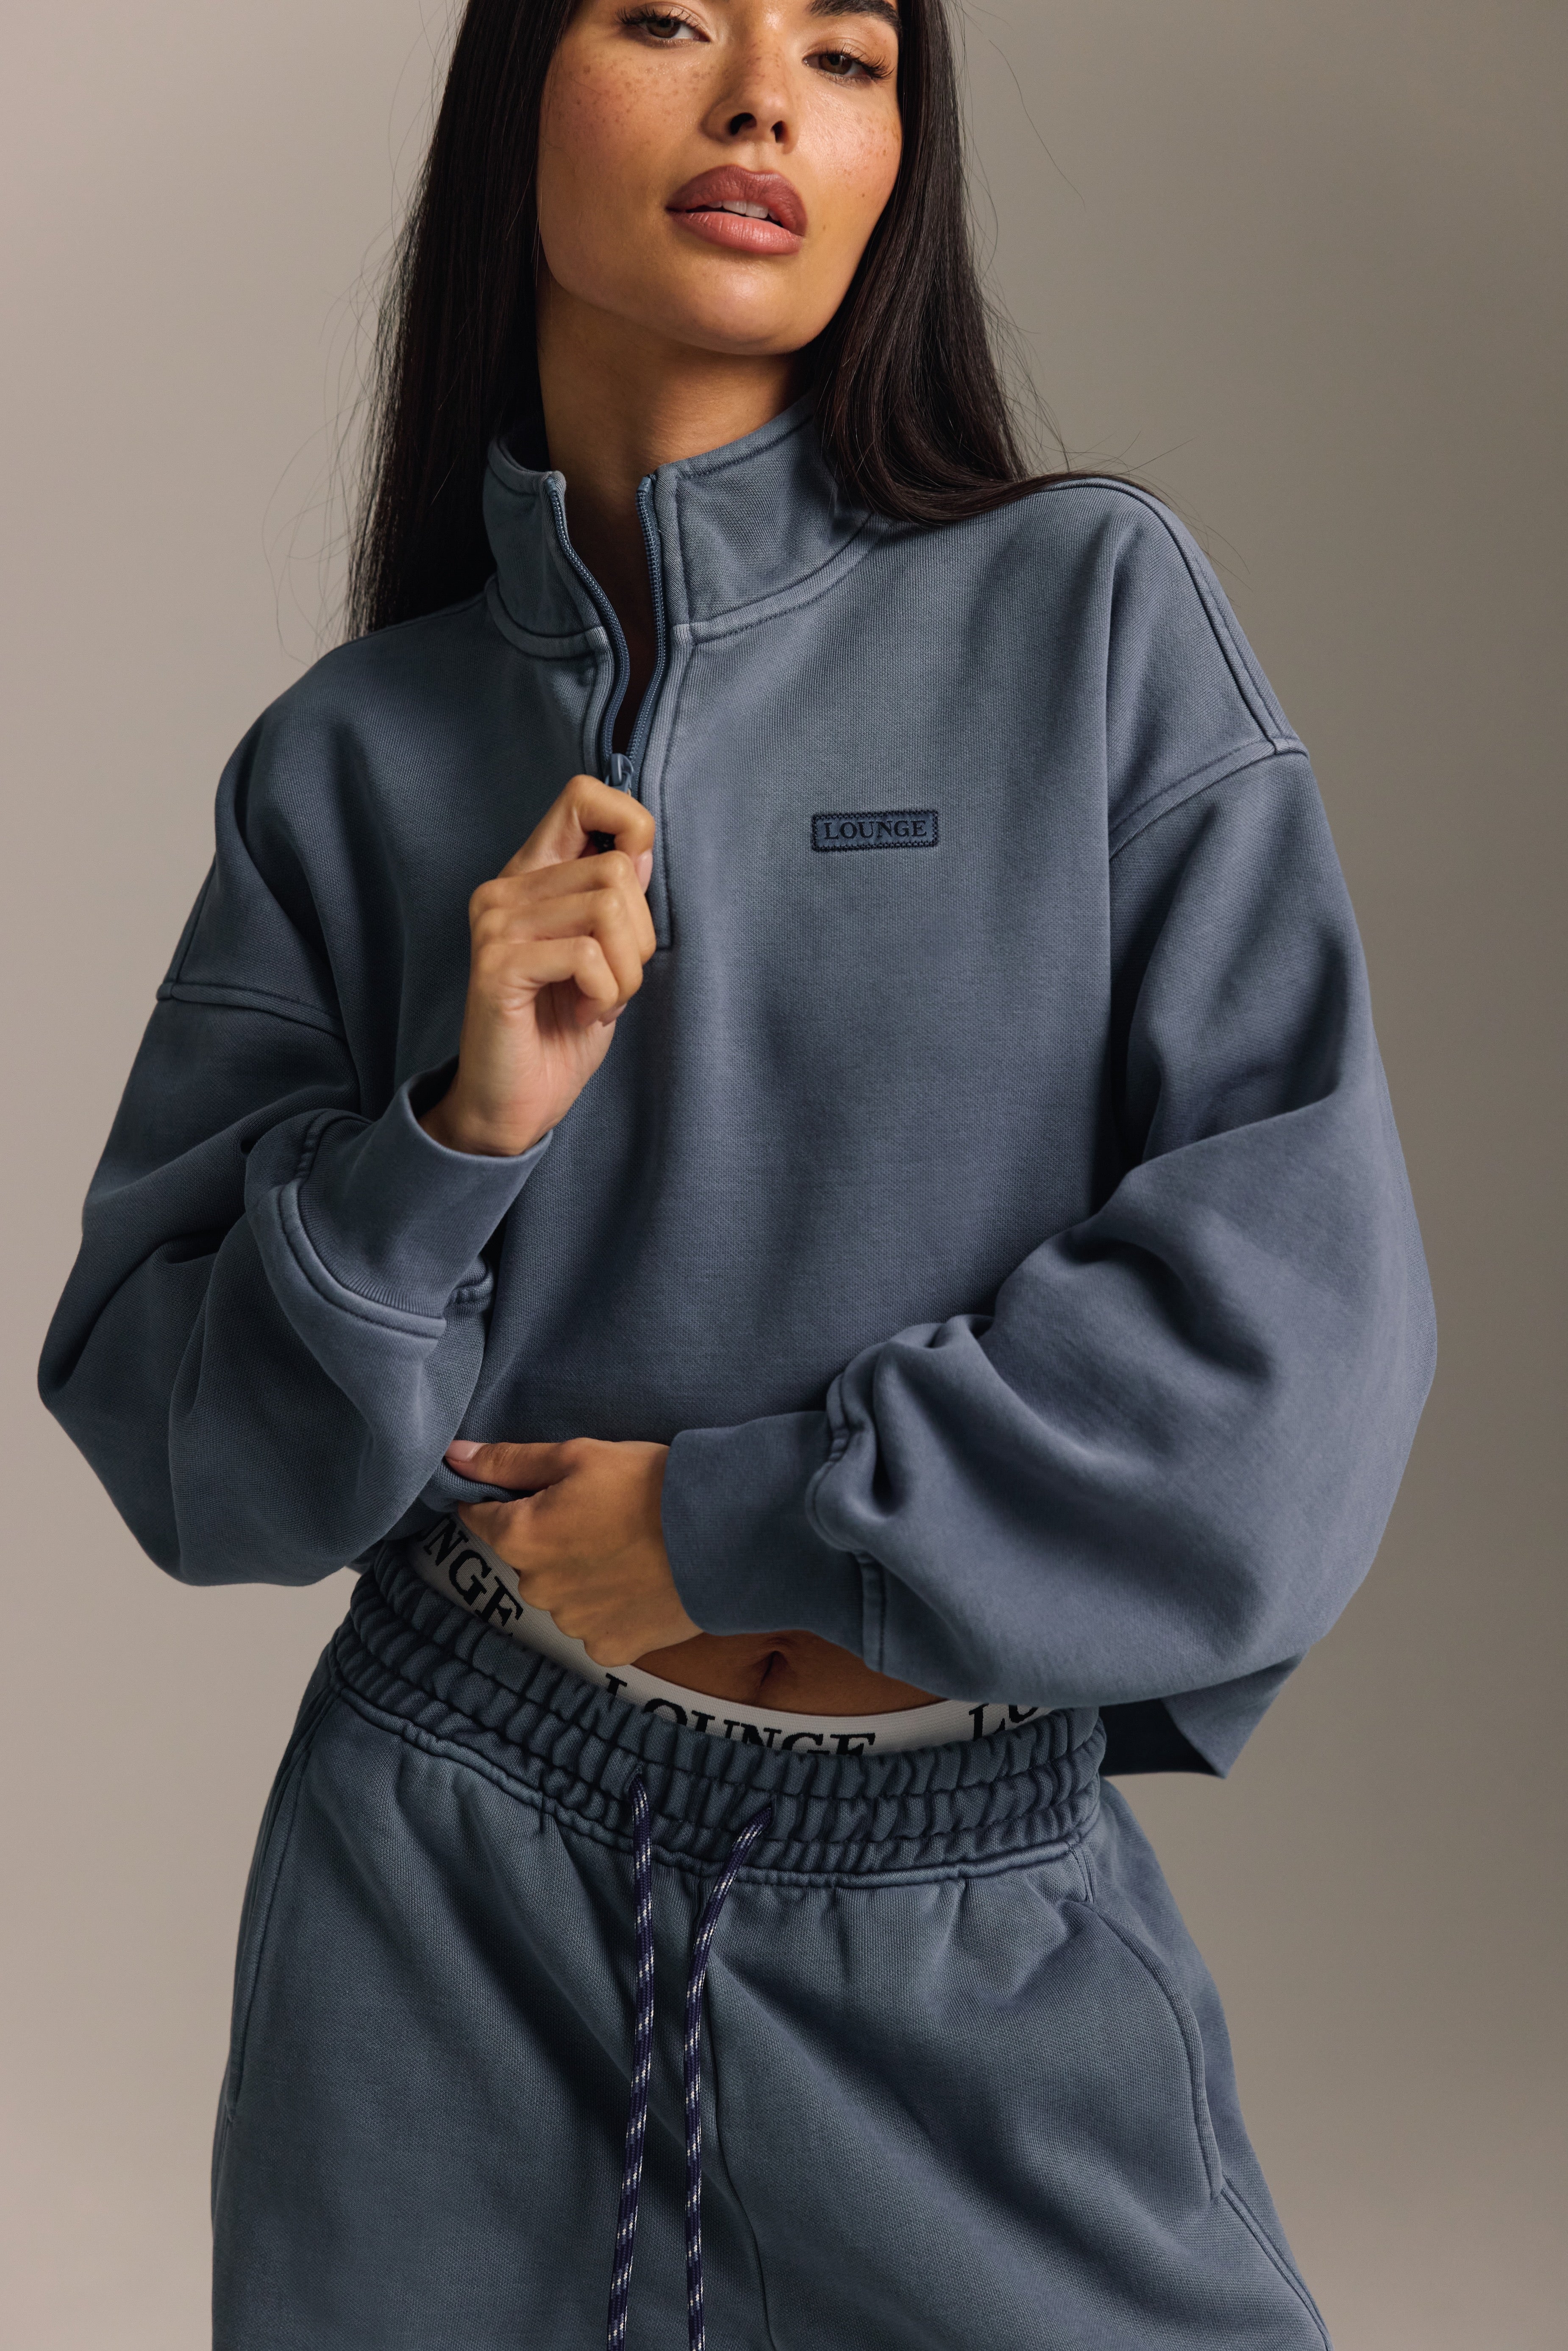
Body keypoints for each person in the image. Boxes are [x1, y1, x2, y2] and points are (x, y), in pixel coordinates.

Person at [39, 0, 1435, 2343]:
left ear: (900, 150)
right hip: (440, 1912)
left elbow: (1293, 1367)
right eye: (672, 15)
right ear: (523, 85)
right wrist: (453, 1137)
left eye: (851, 52)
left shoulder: (1089, 618)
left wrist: (732, 1519)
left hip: (956, 1915)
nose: (767, 97)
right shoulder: (350, 762)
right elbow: (194, 1459)